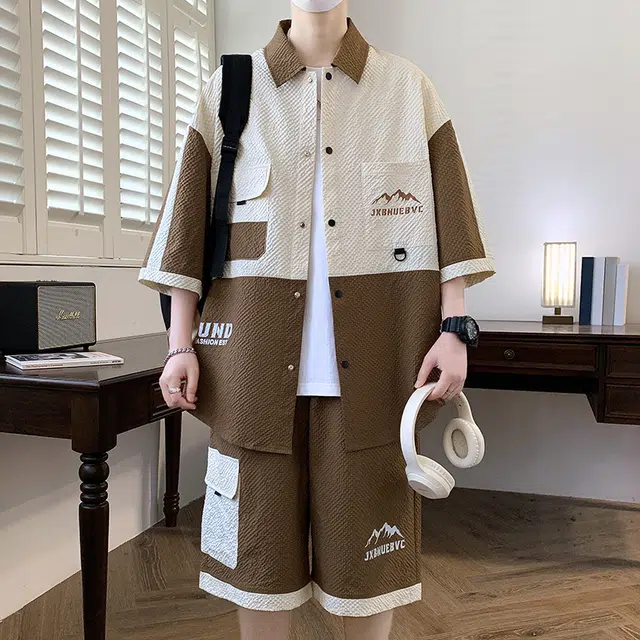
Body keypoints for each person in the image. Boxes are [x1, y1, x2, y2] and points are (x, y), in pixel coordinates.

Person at [139, 0, 495, 638]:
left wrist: (454, 327)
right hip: (250, 381)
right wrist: (179, 345)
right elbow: (185, 231)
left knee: (370, 579)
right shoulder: (231, 89)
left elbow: (453, 223)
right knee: (255, 569)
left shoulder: (408, 90)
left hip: (378, 383)